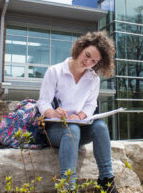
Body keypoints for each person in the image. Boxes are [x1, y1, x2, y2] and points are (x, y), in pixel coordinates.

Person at [37, 31, 118, 192]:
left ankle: (106, 181)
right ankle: (68, 187)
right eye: (87, 55)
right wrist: (53, 113)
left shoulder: (93, 79)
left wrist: (80, 115)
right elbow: (43, 102)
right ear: (80, 48)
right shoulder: (55, 71)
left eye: (94, 61)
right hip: (55, 130)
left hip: (78, 128)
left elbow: (90, 104)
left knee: (100, 127)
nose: (88, 62)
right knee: (71, 129)